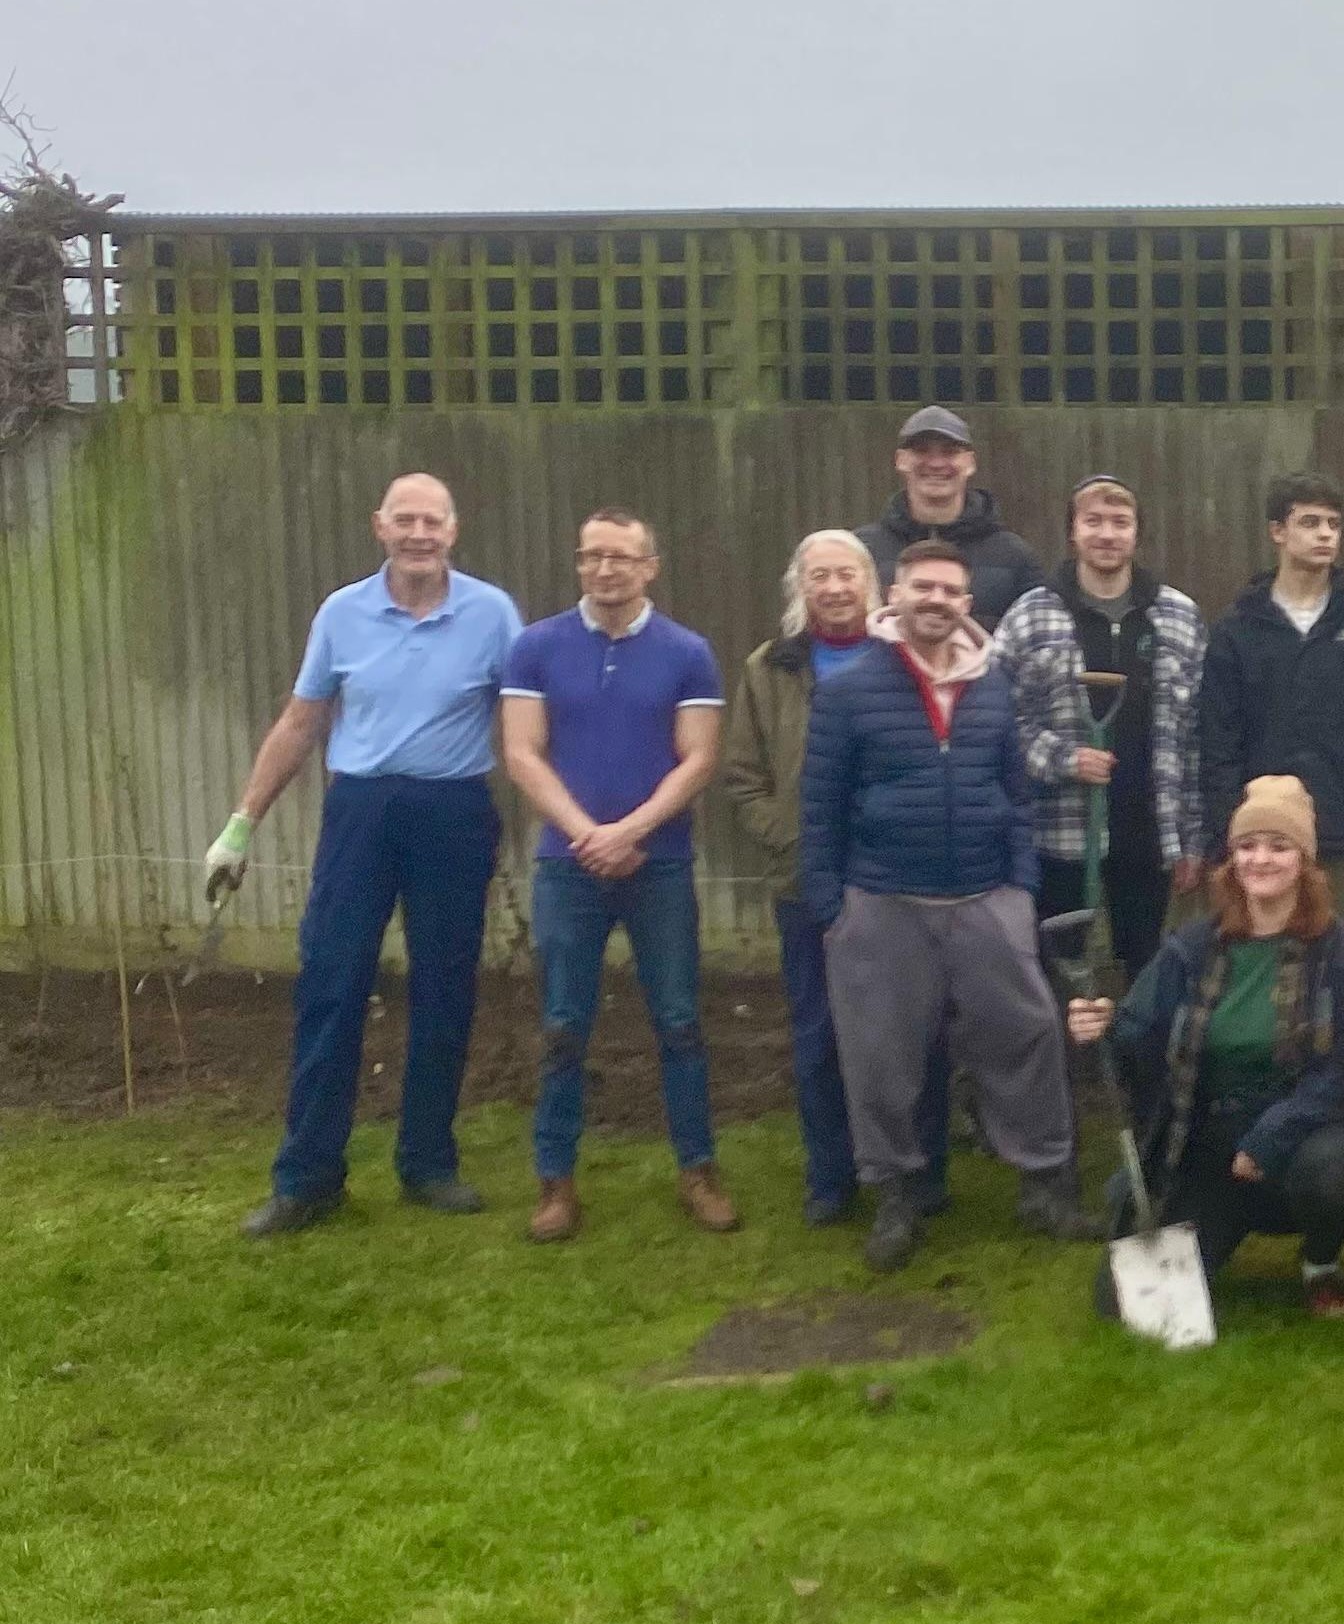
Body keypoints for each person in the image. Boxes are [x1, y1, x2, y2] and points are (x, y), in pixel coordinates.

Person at [220, 474, 521, 1238]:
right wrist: (242, 823)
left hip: (453, 812)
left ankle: (428, 1162)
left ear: (455, 530)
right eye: (405, 519)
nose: (419, 532)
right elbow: (301, 720)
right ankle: (308, 1178)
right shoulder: (342, 613)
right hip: (361, 811)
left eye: (433, 520)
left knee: (445, 988)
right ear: (379, 527)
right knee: (332, 982)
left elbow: (524, 723)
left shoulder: (492, 614)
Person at [800, 538, 1094, 1273]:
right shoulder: (849, 689)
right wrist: (834, 907)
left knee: (1027, 1037)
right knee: (883, 1057)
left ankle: (1044, 1186)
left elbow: (1017, 796)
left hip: (987, 897)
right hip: (884, 902)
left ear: (968, 604)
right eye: (922, 586)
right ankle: (897, 1198)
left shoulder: (994, 684)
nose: (936, 600)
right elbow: (819, 806)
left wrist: (1021, 891)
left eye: (951, 591)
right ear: (894, 596)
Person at [1067, 777, 1344, 1318]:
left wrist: (1271, 1136)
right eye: (1247, 846)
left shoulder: (1341, 955)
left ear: (1305, 861)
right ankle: (1204, 1226)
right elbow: (1136, 1037)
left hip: (1302, 1143)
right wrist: (1099, 1029)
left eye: (1278, 846)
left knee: (1337, 1172)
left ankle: (1321, 1261)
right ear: (1232, 857)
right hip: (1209, 1149)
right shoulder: (1193, 948)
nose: (1260, 859)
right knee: (1120, 1309)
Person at [497, 508, 731, 1243]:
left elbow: (697, 758)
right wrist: (586, 834)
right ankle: (555, 1183)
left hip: (658, 865)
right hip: (567, 868)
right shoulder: (536, 648)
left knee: (681, 1022)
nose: (606, 570)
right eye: (593, 556)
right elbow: (523, 753)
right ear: (579, 564)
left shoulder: (687, 653)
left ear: (649, 565)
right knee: (564, 1026)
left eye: (621, 558)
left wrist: (630, 832)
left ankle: (698, 1170)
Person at [719, 529, 950, 1226]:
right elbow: (743, 776)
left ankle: (923, 1172)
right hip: (805, 883)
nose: (835, 587)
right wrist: (793, 839)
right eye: (818, 575)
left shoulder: (906, 660)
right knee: (820, 1033)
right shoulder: (771, 666)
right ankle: (831, 1176)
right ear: (801, 587)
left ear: (871, 585)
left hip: (898, 877)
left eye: (847, 573)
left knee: (917, 1032)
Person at [994, 472, 1206, 984]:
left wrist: (1192, 839)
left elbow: (1196, 735)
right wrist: (1062, 758)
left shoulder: (1177, 617)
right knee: (1056, 972)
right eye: (1093, 522)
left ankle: (1136, 1063)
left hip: (1148, 832)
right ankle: (1064, 1063)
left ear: (1136, 534)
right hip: (1059, 834)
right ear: (1073, 533)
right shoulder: (1032, 616)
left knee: (1149, 969)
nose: (1107, 534)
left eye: (1120, 522)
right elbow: (996, 721)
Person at [1197, 470, 1344, 918]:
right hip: (1259, 842)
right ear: (1277, 532)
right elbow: (1217, 744)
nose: (1325, 535)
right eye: (1310, 522)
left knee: (1337, 969)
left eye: (1333, 525)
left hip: (1343, 841)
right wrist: (1229, 835)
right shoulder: (1236, 631)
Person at [857, 405, 1047, 628]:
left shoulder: (1016, 558)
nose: (936, 463)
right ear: (900, 460)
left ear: (970, 463)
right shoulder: (861, 551)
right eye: (922, 451)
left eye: (949, 451)